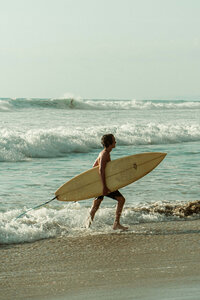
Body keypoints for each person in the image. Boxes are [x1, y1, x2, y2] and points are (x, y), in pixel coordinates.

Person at [89, 134, 128, 230]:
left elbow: (94, 167)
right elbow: (101, 169)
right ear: (109, 143)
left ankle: (87, 225)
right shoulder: (105, 154)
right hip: (104, 184)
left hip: (101, 182)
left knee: (96, 204)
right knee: (121, 200)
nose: (115, 142)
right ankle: (116, 224)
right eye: (114, 140)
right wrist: (104, 186)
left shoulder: (103, 153)